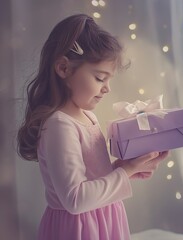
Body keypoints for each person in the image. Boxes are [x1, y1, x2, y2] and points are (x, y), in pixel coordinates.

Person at [16, 14, 169, 240]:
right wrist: (125, 172)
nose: (107, 88)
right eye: (99, 78)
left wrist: (127, 167)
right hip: (79, 228)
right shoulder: (59, 125)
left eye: (109, 80)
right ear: (63, 68)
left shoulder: (88, 116)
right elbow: (76, 200)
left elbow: (93, 176)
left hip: (104, 218)